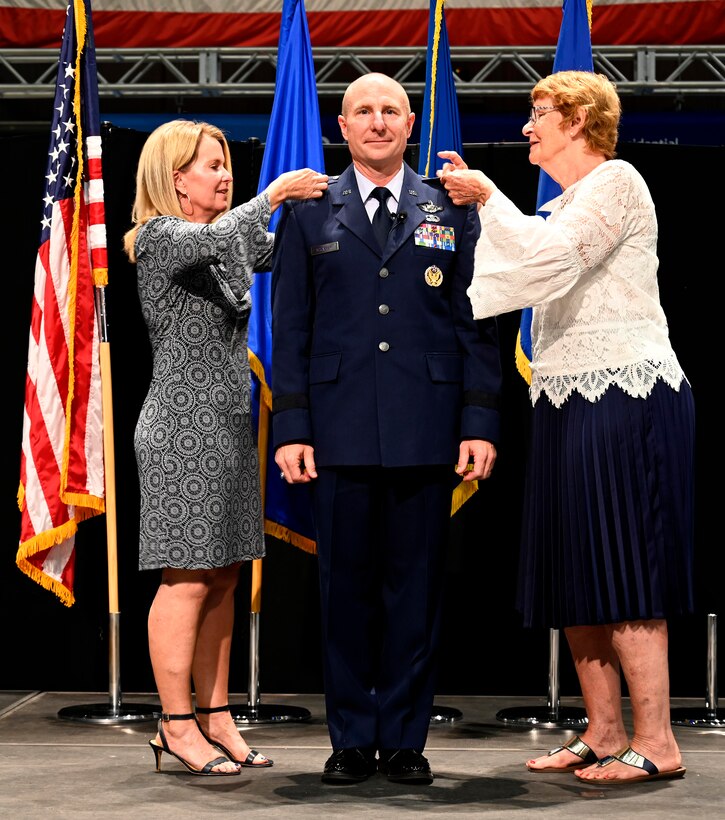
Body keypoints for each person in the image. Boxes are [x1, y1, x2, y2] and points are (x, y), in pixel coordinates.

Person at [438, 70, 694, 785]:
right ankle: (606, 731)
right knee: (576, 565)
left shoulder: (617, 182)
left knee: (626, 563)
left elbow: (544, 264)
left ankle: (658, 739)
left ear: (577, 119)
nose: (527, 126)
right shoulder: (565, 201)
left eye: (538, 113)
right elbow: (529, 251)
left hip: (625, 393)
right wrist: (490, 204)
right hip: (563, 395)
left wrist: (487, 200)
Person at [270, 73, 502, 785]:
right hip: (336, 430)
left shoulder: (450, 208)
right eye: (363, 111)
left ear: (410, 124)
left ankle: (402, 738)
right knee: (344, 592)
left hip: (426, 427)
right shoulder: (311, 210)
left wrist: (479, 419)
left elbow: (475, 325)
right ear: (342, 126)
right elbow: (293, 326)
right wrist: (292, 427)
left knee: (416, 590)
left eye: (390, 111)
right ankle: (349, 739)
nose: (377, 122)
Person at [122, 119, 327, 776]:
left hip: (228, 427)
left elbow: (285, 253)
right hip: (180, 431)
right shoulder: (159, 238)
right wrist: (275, 195)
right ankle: (174, 723)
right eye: (210, 165)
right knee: (185, 580)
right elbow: (222, 235)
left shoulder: (220, 242)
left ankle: (215, 717)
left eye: (224, 163)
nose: (223, 172)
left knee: (224, 575)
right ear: (175, 177)